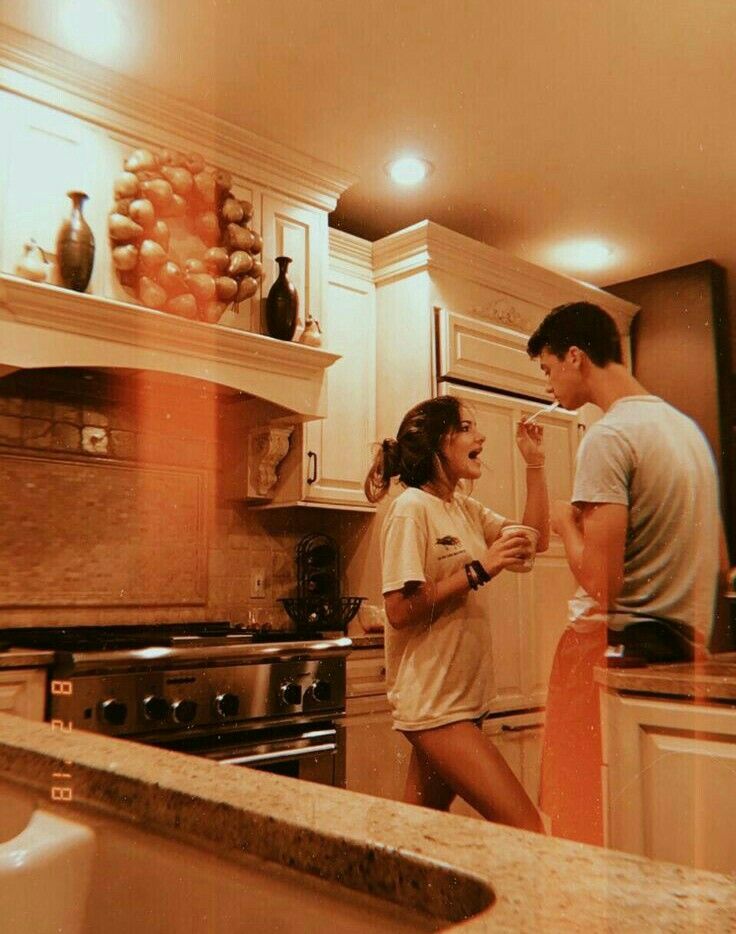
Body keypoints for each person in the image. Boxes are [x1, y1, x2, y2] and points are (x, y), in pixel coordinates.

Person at [526, 300, 730, 845]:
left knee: (584, 821)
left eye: (547, 369)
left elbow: (602, 584)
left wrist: (566, 526)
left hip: (608, 648)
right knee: (657, 826)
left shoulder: (608, 437)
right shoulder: (687, 431)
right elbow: (721, 564)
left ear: (575, 357)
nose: (549, 386)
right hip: (684, 654)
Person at [364, 394, 549, 832]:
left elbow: (534, 541)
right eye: (466, 428)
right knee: (527, 828)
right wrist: (480, 569)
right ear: (436, 443)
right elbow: (398, 609)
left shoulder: (462, 506)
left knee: (422, 829)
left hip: (462, 701)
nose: (479, 436)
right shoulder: (410, 509)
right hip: (435, 704)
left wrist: (535, 465)